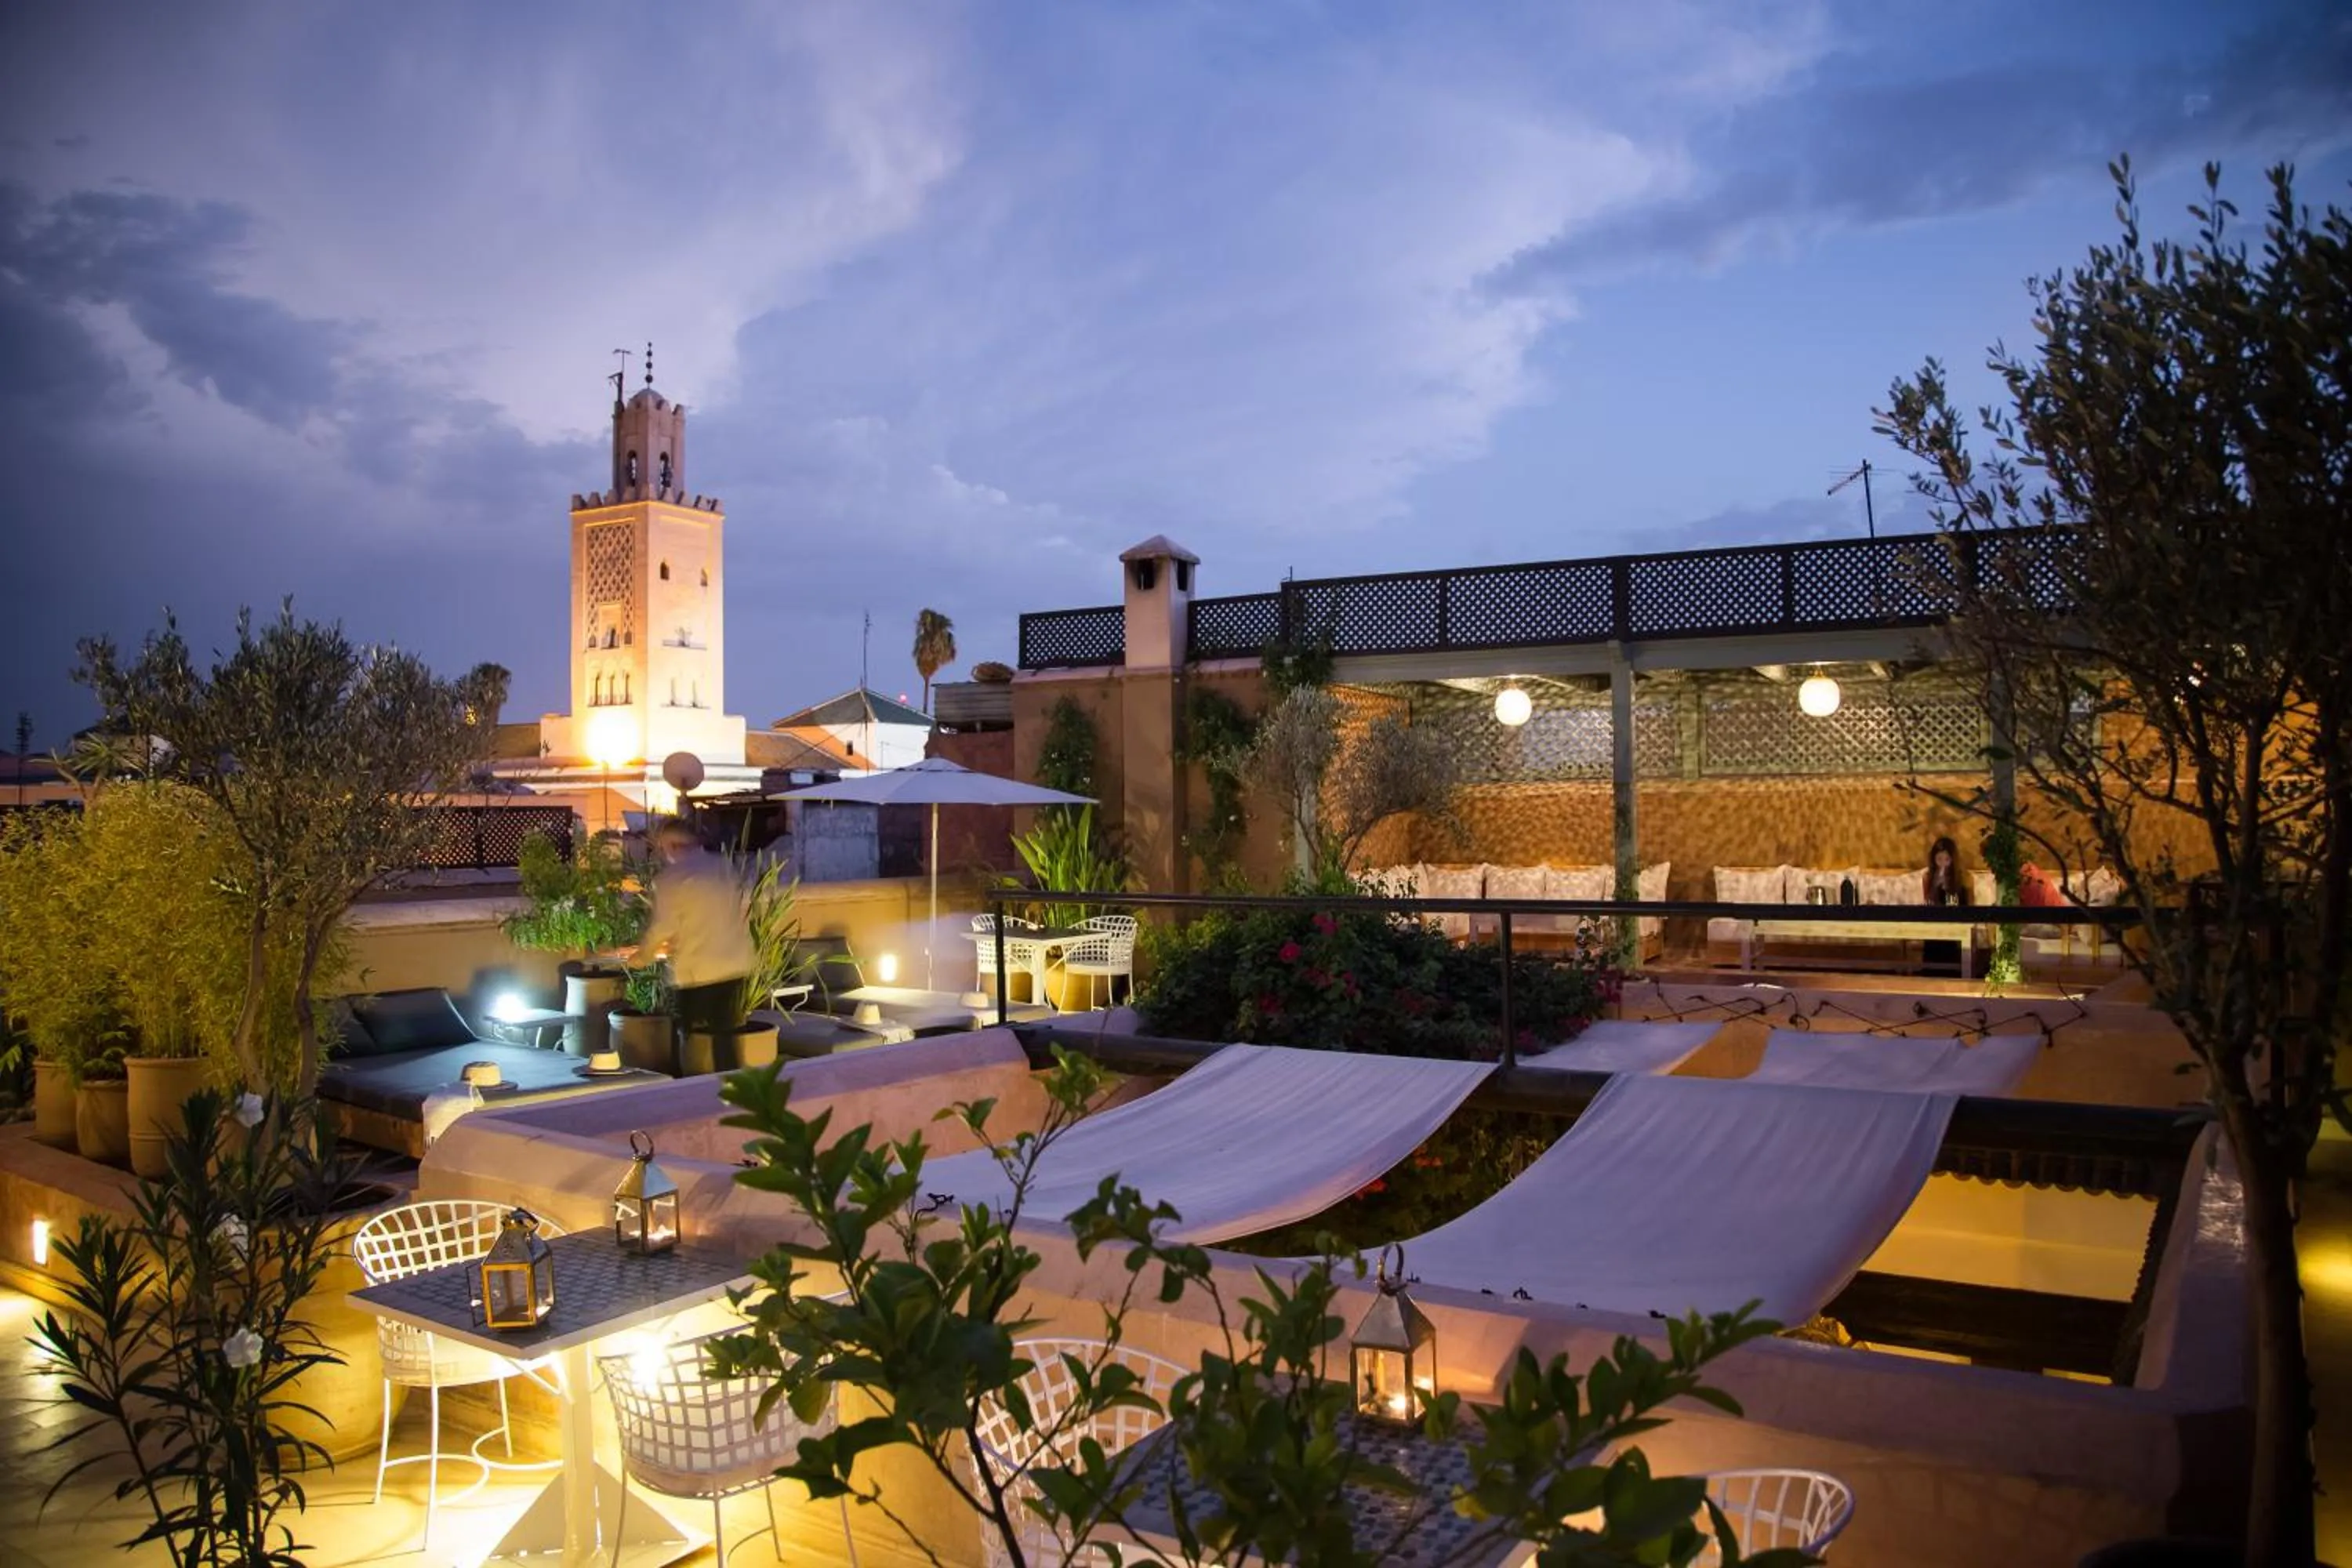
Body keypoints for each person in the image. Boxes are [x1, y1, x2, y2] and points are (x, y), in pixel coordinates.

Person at [637, 818, 757, 1056]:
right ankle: (732, 1087)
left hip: (698, 970)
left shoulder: (671, 878)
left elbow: (664, 925)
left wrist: (643, 955)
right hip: (733, 964)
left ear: (670, 846)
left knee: (686, 1037)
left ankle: (690, 1087)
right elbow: (736, 909)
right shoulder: (723, 866)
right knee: (725, 1039)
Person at [1922, 835, 1969, 975]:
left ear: (1953, 860)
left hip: (1955, 918)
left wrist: (1948, 886)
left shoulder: (1961, 877)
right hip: (1934, 920)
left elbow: (1963, 904)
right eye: (1939, 859)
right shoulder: (1928, 876)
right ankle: (1930, 972)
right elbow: (1928, 902)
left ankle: (1954, 972)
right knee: (1932, 932)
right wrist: (1936, 884)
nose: (1942, 864)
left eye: (1947, 860)